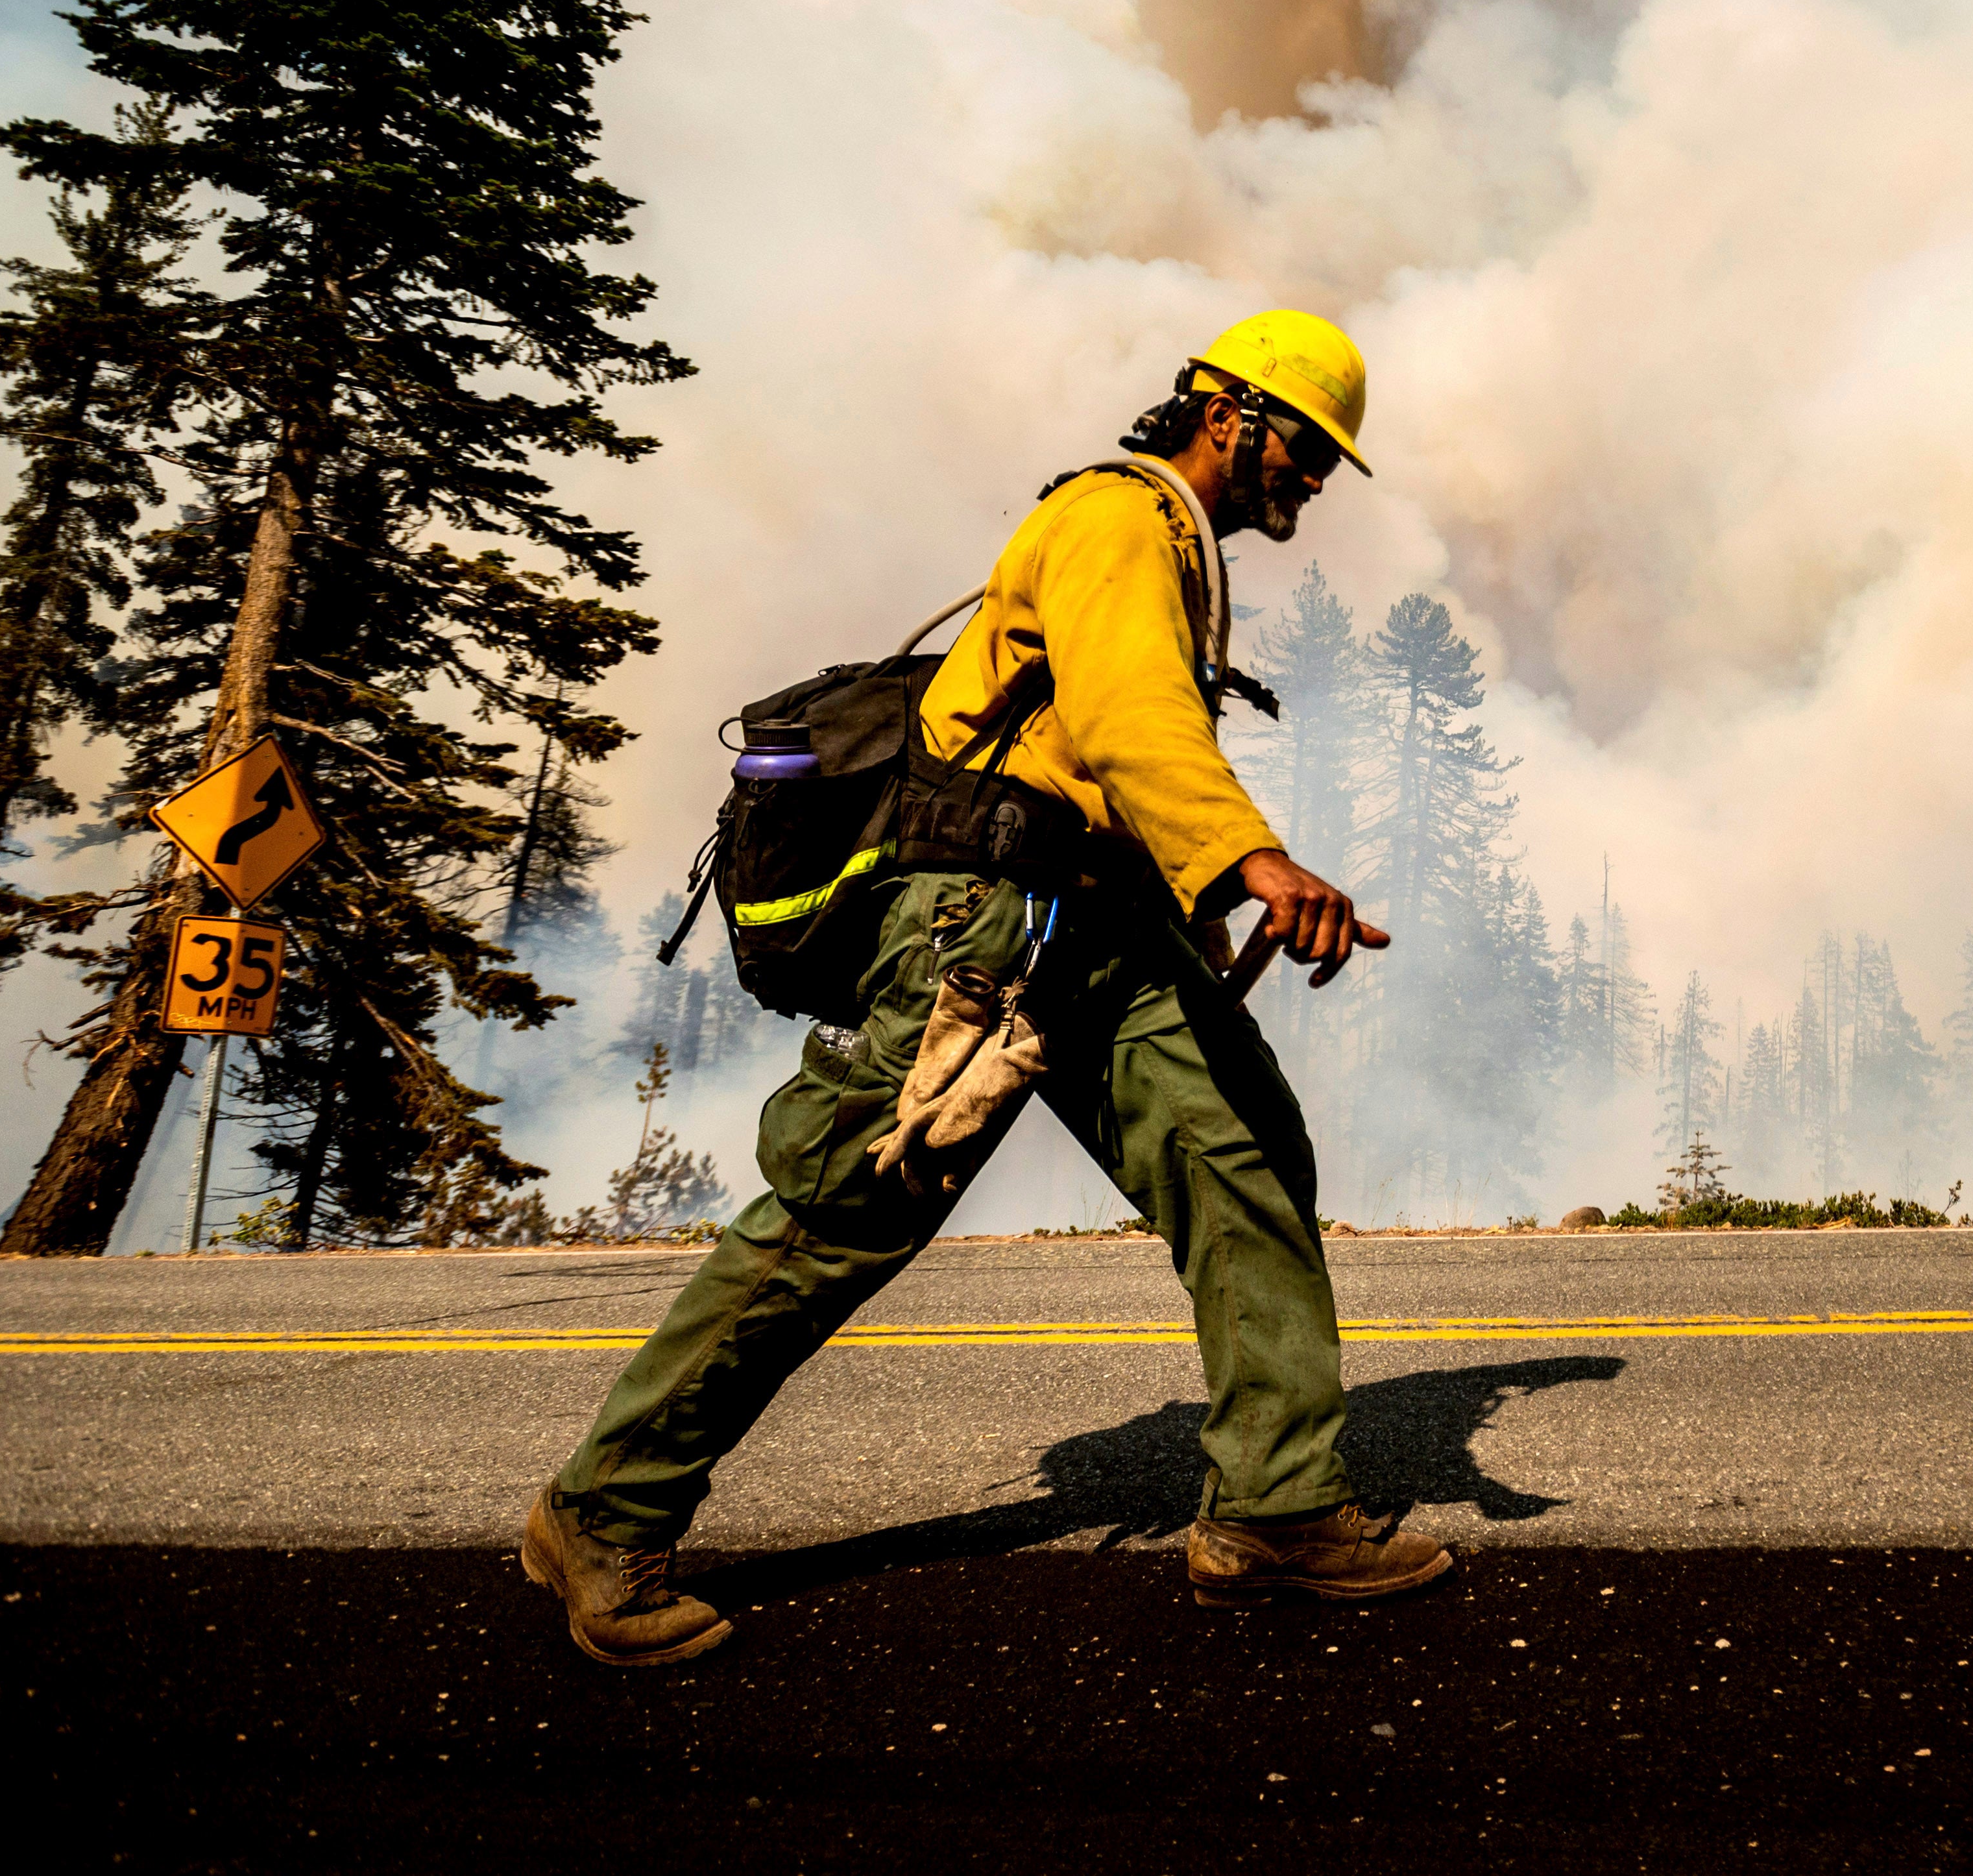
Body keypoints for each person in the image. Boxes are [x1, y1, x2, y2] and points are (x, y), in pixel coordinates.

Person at [521, 310, 1448, 1666]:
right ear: (1230, 414)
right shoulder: (1119, 518)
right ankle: (602, 1512)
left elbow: (1105, 757)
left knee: (1243, 1155)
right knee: (846, 1210)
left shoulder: (1172, 544)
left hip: (1094, 927)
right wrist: (1249, 854)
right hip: (986, 926)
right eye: (1306, 448)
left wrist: (1197, 894)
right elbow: (1133, 715)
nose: (1313, 480)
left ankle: (1275, 1503)